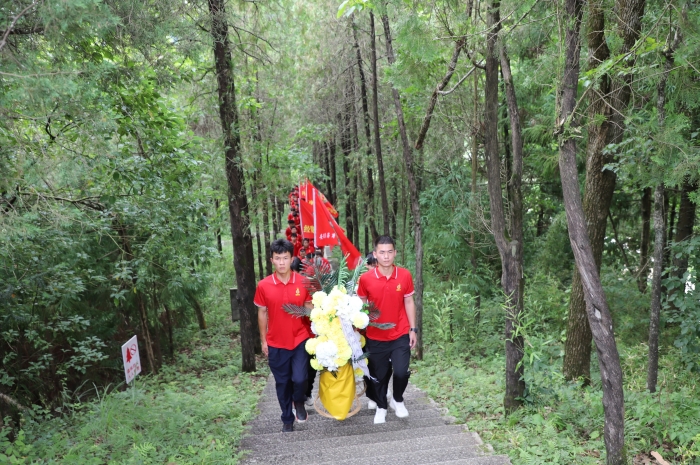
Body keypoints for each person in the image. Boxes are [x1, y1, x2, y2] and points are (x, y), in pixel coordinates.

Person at [254, 239, 313, 432]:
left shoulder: (303, 282)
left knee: (300, 379)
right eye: (277, 258)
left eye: (285, 258)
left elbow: (309, 308)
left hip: (300, 338)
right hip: (276, 342)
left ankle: (299, 401)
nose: (281, 262)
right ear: (272, 260)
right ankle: (287, 418)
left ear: (292, 258)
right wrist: (264, 340)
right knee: (282, 383)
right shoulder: (264, 285)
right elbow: (262, 313)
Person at [357, 235, 417, 424]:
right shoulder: (366, 279)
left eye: (389, 252)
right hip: (375, 335)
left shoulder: (404, 275)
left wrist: (413, 329)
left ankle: (398, 399)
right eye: (382, 252)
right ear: (375, 254)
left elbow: (408, 301)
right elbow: (361, 304)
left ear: (395, 253)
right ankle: (381, 406)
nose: (386, 256)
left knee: (400, 371)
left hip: (400, 332)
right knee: (379, 376)